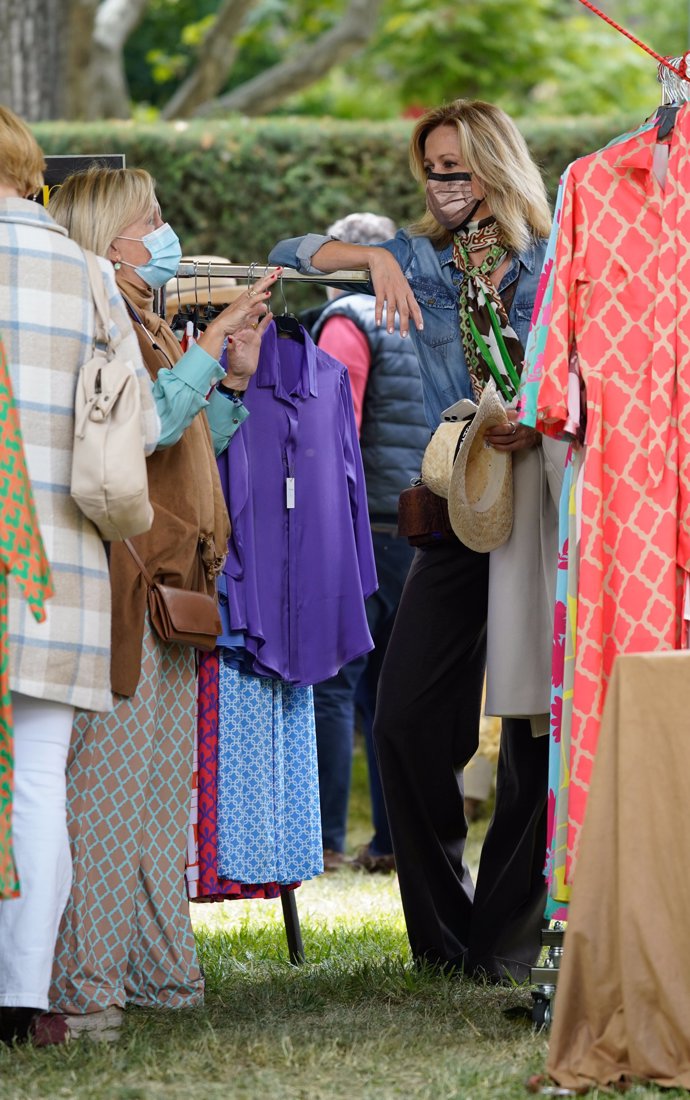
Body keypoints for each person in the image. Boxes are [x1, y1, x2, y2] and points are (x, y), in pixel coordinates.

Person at [270, 99, 566, 982]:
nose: (442, 186)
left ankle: (499, 943)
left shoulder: (552, 259)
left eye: (458, 169)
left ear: (496, 166)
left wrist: (542, 410)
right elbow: (289, 259)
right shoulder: (418, 262)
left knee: (533, 727)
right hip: (460, 503)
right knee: (402, 719)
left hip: (545, 499)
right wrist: (366, 257)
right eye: (431, 169)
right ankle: (443, 934)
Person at [42, 167, 275, 1043]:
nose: (167, 232)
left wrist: (233, 382)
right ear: (111, 240)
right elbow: (140, 433)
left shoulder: (145, 322)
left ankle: (157, 975)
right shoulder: (99, 318)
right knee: (104, 804)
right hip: (128, 593)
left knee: (150, 805)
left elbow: (186, 454)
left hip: (174, 589)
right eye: (153, 221)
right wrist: (211, 346)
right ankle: (85, 988)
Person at [0, 111, 159, 1044]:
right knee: (37, 784)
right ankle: (22, 996)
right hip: (57, 564)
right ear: (30, 170)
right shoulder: (89, 274)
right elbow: (130, 435)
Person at [307, 212, 428, 873]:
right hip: (422, 524)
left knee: (333, 682)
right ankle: (391, 843)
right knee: (393, 691)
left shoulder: (348, 320)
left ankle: (324, 839)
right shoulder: (416, 317)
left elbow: (333, 428)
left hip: (364, 525)